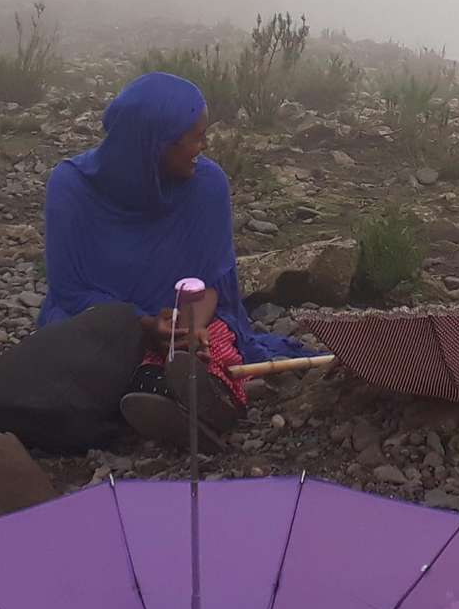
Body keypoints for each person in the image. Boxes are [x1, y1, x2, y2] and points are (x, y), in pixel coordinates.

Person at [39, 72, 311, 450]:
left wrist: (189, 329)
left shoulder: (207, 186)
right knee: (72, 345)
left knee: (211, 340)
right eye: (195, 137)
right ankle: (179, 395)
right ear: (155, 145)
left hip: (183, 322)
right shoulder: (71, 187)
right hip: (100, 322)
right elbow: (69, 291)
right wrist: (143, 324)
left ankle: (185, 396)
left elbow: (213, 283)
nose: (204, 146)